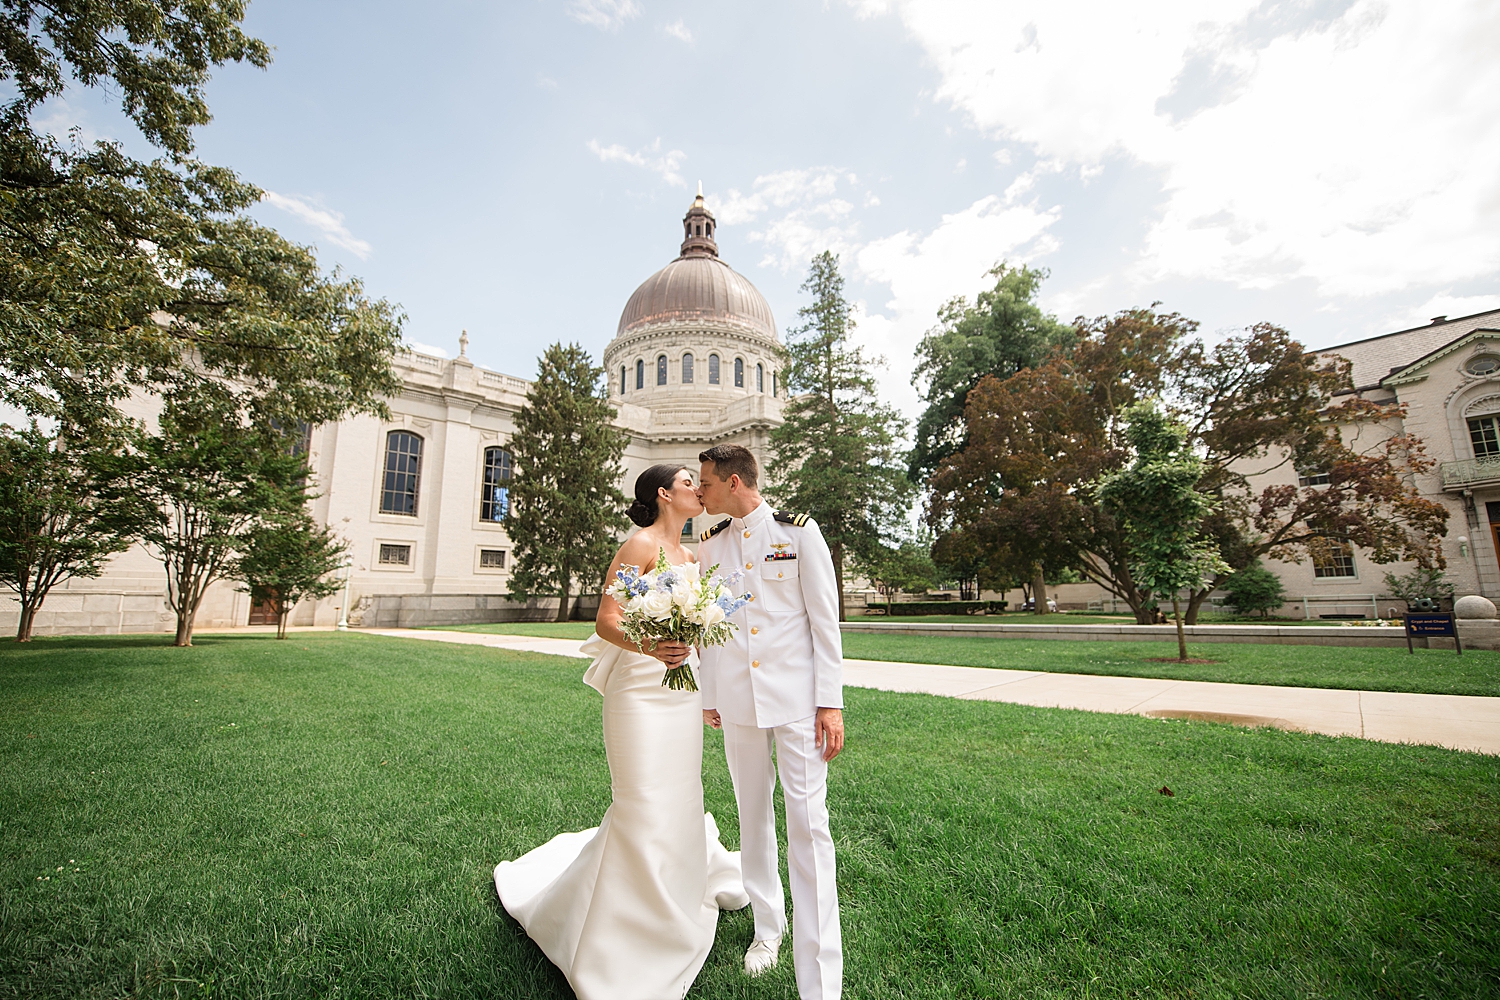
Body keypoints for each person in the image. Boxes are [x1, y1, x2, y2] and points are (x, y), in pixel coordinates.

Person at [492, 464, 748, 1000]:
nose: (697, 490)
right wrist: (653, 646)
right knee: (641, 801)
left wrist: (703, 681)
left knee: (680, 797)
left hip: (683, 693)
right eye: (687, 483)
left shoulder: (695, 554)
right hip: (638, 691)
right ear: (663, 494)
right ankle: (622, 931)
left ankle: (673, 898)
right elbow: (607, 620)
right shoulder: (638, 545)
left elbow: (702, 627)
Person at [696, 444, 844, 1000]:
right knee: (752, 818)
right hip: (737, 703)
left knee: (808, 826)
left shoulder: (799, 534)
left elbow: (823, 622)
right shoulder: (711, 546)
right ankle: (767, 931)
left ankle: (821, 975)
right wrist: (710, 694)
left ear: (735, 482)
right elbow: (711, 628)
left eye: (707, 483)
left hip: (798, 703)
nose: (701, 494)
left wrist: (830, 703)